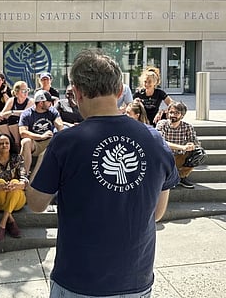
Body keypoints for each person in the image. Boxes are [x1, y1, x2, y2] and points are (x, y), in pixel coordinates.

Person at [26, 49, 179, 298]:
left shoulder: (65, 143)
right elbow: (158, 213)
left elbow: (35, 203)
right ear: (120, 91)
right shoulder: (155, 141)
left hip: (78, 281)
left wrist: (44, 155)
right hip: (136, 280)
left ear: (77, 93)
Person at [0, 134, 27, 242]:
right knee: (0, 181)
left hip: (17, 200)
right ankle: (10, 219)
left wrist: (17, 185)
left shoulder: (18, 158)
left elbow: (24, 179)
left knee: (15, 182)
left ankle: (2, 224)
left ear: (10, 145)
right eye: (1, 143)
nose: (4, 145)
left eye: (7, 143)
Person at [18, 89, 64, 174]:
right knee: (26, 141)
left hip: (48, 143)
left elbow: (59, 124)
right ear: (41, 103)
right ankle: (24, 174)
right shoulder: (27, 114)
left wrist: (60, 127)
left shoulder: (52, 111)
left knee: (58, 138)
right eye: (48, 101)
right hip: (35, 143)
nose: (51, 103)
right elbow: (23, 133)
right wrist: (41, 136)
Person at [156, 101, 199, 189]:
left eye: (176, 113)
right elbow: (160, 141)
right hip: (165, 156)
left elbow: (195, 142)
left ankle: (181, 177)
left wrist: (191, 144)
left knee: (199, 153)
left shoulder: (187, 127)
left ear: (182, 115)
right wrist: (182, 147)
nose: (173, 115)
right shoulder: (162, 124)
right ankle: (169, 178)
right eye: (171, 112)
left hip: (180, 156)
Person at [0, 81, 35, 149]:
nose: (26, 92)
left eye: (27, 90)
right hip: (12, 127)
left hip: (25, 125)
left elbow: (25, 113)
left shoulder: (30, 101)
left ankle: (16, 143)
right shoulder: (11, 100)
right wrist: (1, 115)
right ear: (16, 92)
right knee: (0, 120)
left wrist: (11, 112)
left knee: (13, 117)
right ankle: (10, 140)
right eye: (23, 90)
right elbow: (3, 114)